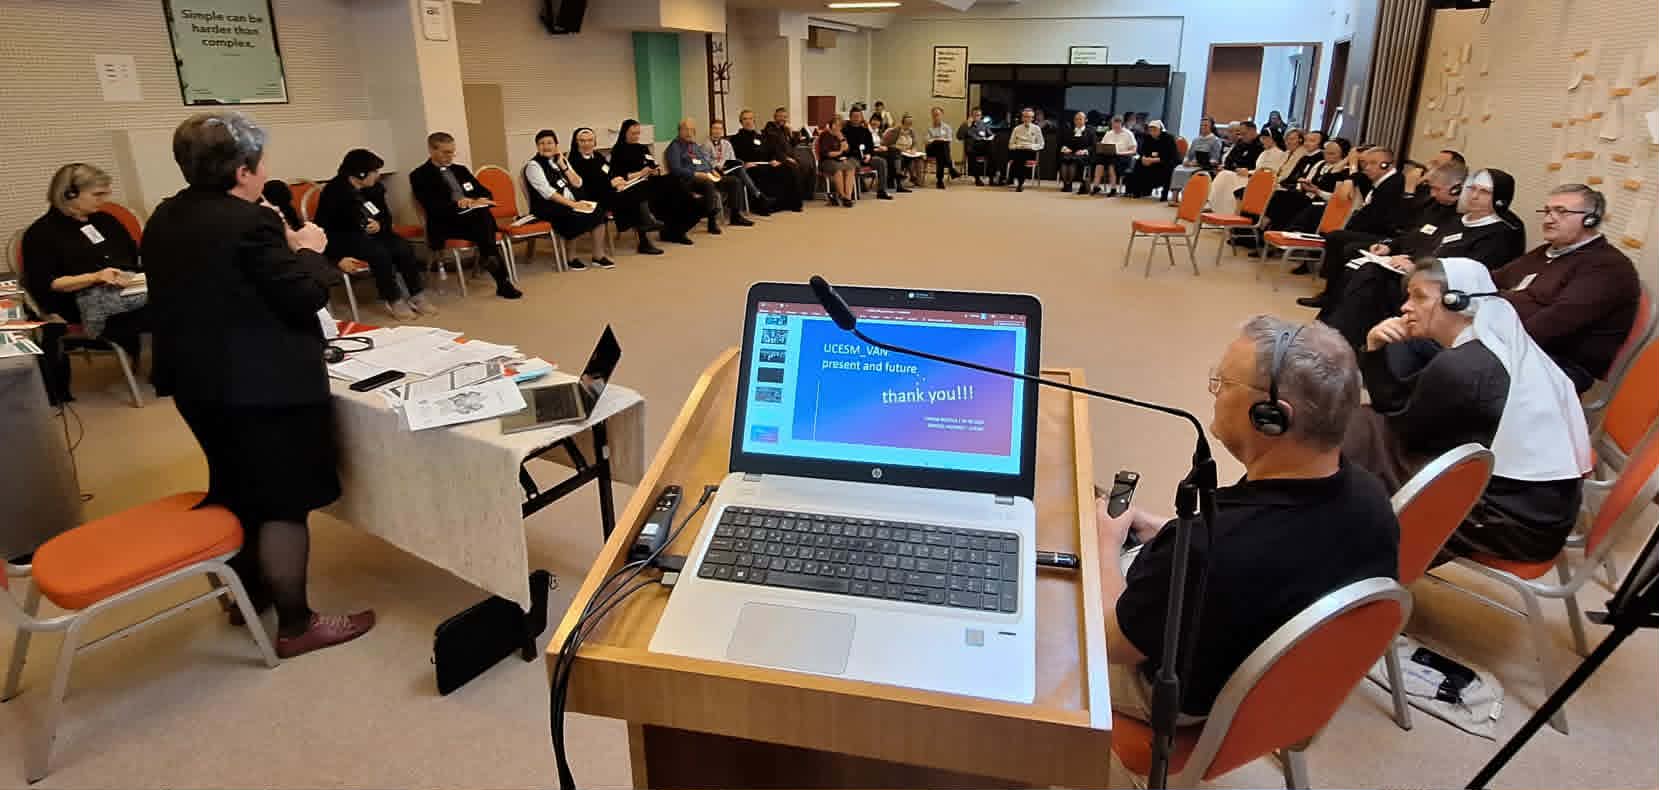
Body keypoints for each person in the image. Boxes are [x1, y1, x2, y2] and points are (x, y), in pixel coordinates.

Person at [142, 111, 374, 657]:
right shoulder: (250, 224)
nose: (266, 171)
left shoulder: (165, 216)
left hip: (196, 380)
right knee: (282, 501)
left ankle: (248, 594)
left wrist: (278, 241)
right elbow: (304, 295)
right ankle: (297, 623)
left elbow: (227, 282)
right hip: (262, 385)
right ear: (243, 170)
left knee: (236, 484)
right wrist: (308, 248)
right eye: (261, 163)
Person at [1099, 316, 1398, 722]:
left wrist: (1104, 546)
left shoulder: (1211, 551)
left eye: (1223, 383)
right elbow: (1262, 556)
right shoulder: (1370, 496)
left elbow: (1114, 642)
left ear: (1271, 416)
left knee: (1046, 607)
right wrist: (1170, 534)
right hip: (1271, 695)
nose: (1214, 393)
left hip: (1180, 701)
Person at [1346, 258, 1590, 563]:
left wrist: (1373, 353)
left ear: (1457, 302)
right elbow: (1401, 408)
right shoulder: (1499, 343)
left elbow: (1402, 425)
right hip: (1539, 513)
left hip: (1509, 523)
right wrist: (1375, 351)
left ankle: (1346, 553)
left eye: (1419, 297)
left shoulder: (1463, 366)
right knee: (1363, 428)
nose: (1405, 307)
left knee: (1354, 437)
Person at [1320, 164, 1529, 350]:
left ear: (1500, 199)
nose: (1474, 196)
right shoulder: (1460, 220)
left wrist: (1415, 268)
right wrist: (1400, 255)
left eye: (1484, 192)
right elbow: (1424, 243)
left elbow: (1473, 275)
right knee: (1365, 271)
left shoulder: (1503, 232)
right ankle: (1333, 335)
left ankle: (1334, 342)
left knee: (1370, 276)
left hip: (1445, 294)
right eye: (1472, 189)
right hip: (1419, 277)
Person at [20, 163, 150, 405]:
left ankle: (170, 368)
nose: (105, 200)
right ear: (69, 193)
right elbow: (48, 284)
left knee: (181, 298)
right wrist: (95, 277)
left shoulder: (107, 221)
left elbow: (133, 260)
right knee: (172, 309)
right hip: (79, 305)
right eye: (97, 194)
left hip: (125, 292)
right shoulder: (41, 234)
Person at [1492, 184, 1641, 392]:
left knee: (1456, 365)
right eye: (1547, 211)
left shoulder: (1608, 266)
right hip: (1518, 343)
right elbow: (1494, 279)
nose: (1548, 219)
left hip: (1558, 364)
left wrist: (1488, 333)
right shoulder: (1549, 251)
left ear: (1590, 220)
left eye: (1561, 211)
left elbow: (1551, 325)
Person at [314, 149, 432, 320]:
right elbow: (322, 229)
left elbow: (385, 216)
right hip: (345, 238)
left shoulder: (375, 188)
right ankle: (393, 299)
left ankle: (416, 294)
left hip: (375, 234)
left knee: (403, 247)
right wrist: (336, 257)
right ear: (360, 173)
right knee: (379, 253)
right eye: (374, 171)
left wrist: (380, 225)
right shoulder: (333, 192)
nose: (378, 175)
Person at [1300, 147, 1423, 307]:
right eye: (1365, 163)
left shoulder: (1394, 184)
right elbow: (1351, 180)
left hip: (1386, 236)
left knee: (1341, 241)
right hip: (1372, 230)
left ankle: (1333, 295)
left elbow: (1383, 220)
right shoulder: (1380, 180)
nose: (1367, 168)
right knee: (1336, 236)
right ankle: (1332, 292)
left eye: (1373, 163)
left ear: (1386, 165)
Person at [409, 132, 521, 299]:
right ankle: (499, 276)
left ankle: (498, 274)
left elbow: (484, 192)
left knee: (481, 214)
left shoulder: (460, 170)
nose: (450, 156)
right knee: (483, 220)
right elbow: (432, 206)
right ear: (431, 150)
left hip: (472, 219)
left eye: (452, 152)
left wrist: (478, 200)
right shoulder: (419, 175)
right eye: (446, 152)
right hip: (445, 223)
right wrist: (458, 204)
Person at [523, 129, 613, 270]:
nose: (546, 146)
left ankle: (598, 255)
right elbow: (549, 193)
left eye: (549, 143)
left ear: (556, 145)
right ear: (537, 146)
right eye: (541, 143)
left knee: (598, 210)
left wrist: (563, 166)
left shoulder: (561, 160)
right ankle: (571, 258)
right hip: (546, 206)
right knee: (574, 214)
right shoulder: (533, 166)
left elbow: (578, 183)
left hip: (569, 202)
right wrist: (574, 205)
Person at [569, 126, 666, 256]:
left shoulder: (597, 156)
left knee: (641, 188)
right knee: (635, 195)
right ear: (576, 143)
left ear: (595, 142)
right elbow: (585, 185)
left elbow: (610, 172)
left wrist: (618, 180)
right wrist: (611, 184)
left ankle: (646, 229)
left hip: (609, 191)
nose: (587, 144)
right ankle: (646, 228)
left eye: (590, 140)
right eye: (582, 141)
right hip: (593, 197)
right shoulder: (574, 161)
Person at [610, 119, 701, 246]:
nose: (636, 136)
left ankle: (676, 230)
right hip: (633, 184)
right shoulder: (617, 151)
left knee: (674, 182)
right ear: (624, 133)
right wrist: (641, 173)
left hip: (651, 180)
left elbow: (654, 165)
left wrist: (655, 171)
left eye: (638, 133)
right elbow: (618, 176)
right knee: (643, 192)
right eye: (633, 133)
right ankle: (646, 233)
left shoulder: (642, 148)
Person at [666, 118, 752, 234]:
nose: (689, 133)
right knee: (708, 184)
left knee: (734, 181)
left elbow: (705, 161)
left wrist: (712, 170)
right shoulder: (675, 147)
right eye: (686, 129)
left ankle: (735, 216)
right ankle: (712, 222)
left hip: (707, 175)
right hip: (689, 179)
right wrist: (695, 174)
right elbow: (676, 169)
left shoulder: (694, 145)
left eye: (692, 130)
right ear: (679, 130)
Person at [730, 110, 804, 212]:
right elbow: (733, 157)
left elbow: (771, 151)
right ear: (741, 122)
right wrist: (744, 163)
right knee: (761, 172)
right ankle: (764, 205)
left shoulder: (761, 136)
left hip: (766, 163)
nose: (748, 121)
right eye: (745, 119)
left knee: (788, 168)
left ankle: (790, 204)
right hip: (750, 166)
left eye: (750, 118)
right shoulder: (735, 139)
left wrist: (774, 160)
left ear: (754, 120)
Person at [1206, 127, 1285, 216]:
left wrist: (1249, 173)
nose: (1262, 141)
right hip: (1253, 177)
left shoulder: (1279, 153)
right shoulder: (1264, 152)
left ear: (1272, 139)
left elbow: (1270, 171)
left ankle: (1219, 207)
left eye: (1264, 138)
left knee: (1226, 176)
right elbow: (1258, 169)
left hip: (1262, 182)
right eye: (1261, 138)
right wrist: (1246, 171)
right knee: (1224, 174)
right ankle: (1213, 203)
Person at [708, 119, 772, 216]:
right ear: (711, 130)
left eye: (720, 129)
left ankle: (758, 197)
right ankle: (759, 196)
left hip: (728, 169)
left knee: (739, 167)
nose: (717, 131)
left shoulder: (726, 143)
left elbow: (732, 158)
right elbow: (706, 163)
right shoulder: (706, 145)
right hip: (714, 172)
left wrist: (739, 164)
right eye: (715, 128)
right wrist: (718, 166)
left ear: (722, 131)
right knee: (740, 170)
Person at [841, 108, 896, 200]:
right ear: (850, 117)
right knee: (852, 165)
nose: (856, 118)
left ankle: (881, 191)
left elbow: (870, 147)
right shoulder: (845, 131)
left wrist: (869, 155)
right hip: (852, 157)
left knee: (881, 162)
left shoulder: (865, 131)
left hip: (866, 157)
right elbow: (845, 148)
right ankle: (854, 190)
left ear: (861, 117)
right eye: (854, 116)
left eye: (858, 116)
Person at [1124, 120, 1177, 198]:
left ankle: (1164, 193)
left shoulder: (1169, 138)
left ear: (1160, 130)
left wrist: (1152, 160)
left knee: (1168, 167)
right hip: (1150, 160)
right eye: (1151, 130)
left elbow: (1170, 156)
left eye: (1155, 130)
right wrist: (1144, 158)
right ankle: (1136, 191)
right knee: (1138, 163)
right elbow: (1142, 151)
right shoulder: (1148, 137)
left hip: (1164, 161)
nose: (1152, 132)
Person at [1088, 115, 1139, 196]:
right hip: (1109, 155)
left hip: (1123, 156)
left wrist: (1119, 153)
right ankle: (1096, 186)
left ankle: (1113, 189)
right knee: (1099, 163)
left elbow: (1133, 151)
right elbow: (1102, 146)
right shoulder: (1109, 133)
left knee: (1111, 165)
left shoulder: (1128, 134)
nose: (1115, 128)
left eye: (1117, 126)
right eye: (1113, 125)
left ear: (1122, 124)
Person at [816, 119, 855, 207]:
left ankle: (848, 197)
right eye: (836, 125)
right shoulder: (825, 135)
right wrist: (840, 152)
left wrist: (841, 138)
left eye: (840, 125)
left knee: (851, 168)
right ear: (831, 125)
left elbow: (846, 149)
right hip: (826, 161)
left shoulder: (841, 135)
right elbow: (827, 153)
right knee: (838, 169)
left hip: (839, 160)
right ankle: (842, 196)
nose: (838, 127)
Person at [1057, 112, 1097, 193]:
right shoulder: (1069, 130)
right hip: (1071, 153)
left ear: (1085, 120)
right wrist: (1065, 148)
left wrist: (1084, 151)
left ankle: (1072, 183)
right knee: (1064, 161)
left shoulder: (1090, 131)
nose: (1077, 121)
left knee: (1073, 162)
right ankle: (1067, 185)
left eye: (1080, 119)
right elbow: (1063, 142)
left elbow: (1093, 145)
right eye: (1076, 119)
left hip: (1083, 155)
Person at [885, 113, 927, 189]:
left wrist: (913, 149)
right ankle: (912, 177)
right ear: (903, 122)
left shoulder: (911, 131)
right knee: (909, 160)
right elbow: (889, 144)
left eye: (910, 122)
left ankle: (918, 180)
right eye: (907, 122)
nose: (909, 124)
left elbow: (914, 143)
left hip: (908, 152)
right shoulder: (896, 130)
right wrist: (902, 150)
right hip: (897, 152)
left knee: (919, 159)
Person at [1006, 108, 1043, 192]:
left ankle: (1012, 178)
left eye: (1029, 117)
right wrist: (1018, 146)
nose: (1026, 119)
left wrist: (1031, 146)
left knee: (1019, 159)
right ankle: (1020, 183)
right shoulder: (1017, 129)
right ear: (1022, 118)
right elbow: (1010, 144)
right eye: (1025, 116)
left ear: (1032, 118)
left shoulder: (1036, 128)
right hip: (1018, 150)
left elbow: (1041, 144)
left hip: (1030, 152)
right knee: (1020, 157)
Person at [957, 107, 997, 185]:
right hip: (971, 147)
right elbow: (959, 137)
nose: (976, 117)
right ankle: (977, 179)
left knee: (992, 151)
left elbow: (991, 135)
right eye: (974, 115)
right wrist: (967, 126)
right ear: (971, 115)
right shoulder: (965, 124)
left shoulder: (983, 124)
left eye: (978, 115)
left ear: (981, 116)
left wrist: (990, 137)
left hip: (983, 146)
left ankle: (991, 178)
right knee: (972, 153)